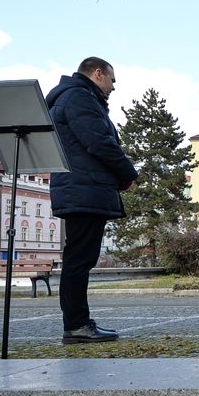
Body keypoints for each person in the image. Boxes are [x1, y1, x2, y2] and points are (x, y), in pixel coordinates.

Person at [47, 57, 138, 344]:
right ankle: (76, 325)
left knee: (78, 259)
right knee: (78, 261)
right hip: (84, 188)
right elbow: (99, 142)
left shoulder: (74, 97)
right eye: (112, 79)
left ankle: (77, 323)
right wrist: (127, 172)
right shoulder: (79, 98)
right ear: (98, 74)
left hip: (80, 187)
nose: (113, 86)